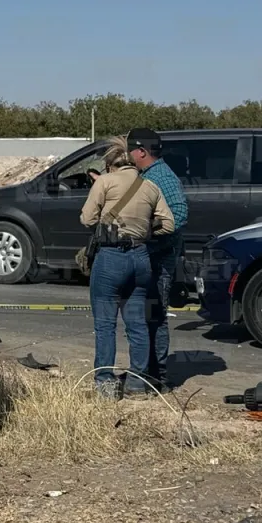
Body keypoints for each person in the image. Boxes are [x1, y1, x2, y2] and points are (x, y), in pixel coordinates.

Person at [79, 136, 176, 398]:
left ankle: (106, 383)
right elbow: (168, 224)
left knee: (105, 324)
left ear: (111, 164)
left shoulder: (105, 182)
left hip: (111, 257)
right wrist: (144, 229)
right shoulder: (150, 186)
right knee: (137, 324)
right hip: (141, 257)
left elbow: (87, 219)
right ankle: (137, 383)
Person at [127, 127, 189, 390]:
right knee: (146, 316)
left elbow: (179, 214)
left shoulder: (161, 177)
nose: (129, 156)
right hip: (151, 258)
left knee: (153, 318)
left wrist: (147, 230)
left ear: (141, 151)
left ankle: (156, 376)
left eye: (131, 151)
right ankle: (150, 373)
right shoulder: (149, 175)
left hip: (159, 261)